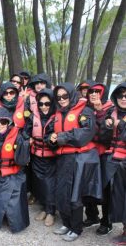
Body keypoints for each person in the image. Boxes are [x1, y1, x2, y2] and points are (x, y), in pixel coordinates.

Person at [49, 83, 102, 242]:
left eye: (65, 96)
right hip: (63, 158)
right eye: (58, 97)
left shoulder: (85, 111)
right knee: (61, 193)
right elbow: (51, 133)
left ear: (72, 95)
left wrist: (62, 137)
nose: (62, 99)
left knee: (75, 194)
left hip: (79, 160)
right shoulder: (58, 113)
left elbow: (85, 134)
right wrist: (51, 139)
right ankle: (67, 223)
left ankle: (76, 228)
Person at [22, 88, 56, 226]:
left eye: (47, 104)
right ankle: (44, 207)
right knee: (39, 183)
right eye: (41, 104)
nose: (44, 107)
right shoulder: (32, 116)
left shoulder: (57, 117)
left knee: (50, 184)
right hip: (36, 155)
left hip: (52, 157)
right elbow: (25, 131)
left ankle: (51, 212)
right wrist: (28, 138)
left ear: (52, 104)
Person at [83, 82, 113, 235]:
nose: (93, 94)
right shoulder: (85, 109)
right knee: (87, 185)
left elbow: (106, 136)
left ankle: (106, 221)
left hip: (105, 155)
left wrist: (100, 112)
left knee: (106, 188)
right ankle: (92, 215)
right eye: (91, 91)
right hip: (89, 153)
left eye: (97, 91)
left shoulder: (112, 109)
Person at [99, 83, 126, 245]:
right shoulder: (112, 113)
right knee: (119, 199)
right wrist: (106, 125)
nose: (124, 98)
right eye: (120, 95)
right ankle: (124, 230)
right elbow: (103, 138)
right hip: (115, 162)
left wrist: (120, 125)